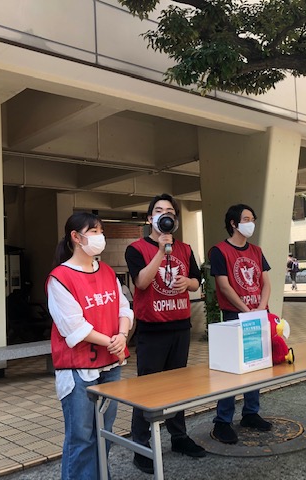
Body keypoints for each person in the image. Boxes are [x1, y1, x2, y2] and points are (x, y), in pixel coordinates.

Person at [46, 212, 133, 480]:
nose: (100, 237)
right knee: (81, 439)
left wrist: (122, 334)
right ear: (76, 237)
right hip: (78, 370)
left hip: (111, 365)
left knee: (104, 434)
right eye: (94, 231)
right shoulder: (59, 278)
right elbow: (74, 327)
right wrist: (113, 341)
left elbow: (124, 308)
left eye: (100, 231)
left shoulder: (107, 271)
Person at [125, 193, 205, 474]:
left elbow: (197, 281)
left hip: (180, 326)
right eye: (158, 210)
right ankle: (141, 446)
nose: (164, 214)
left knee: (177, 387)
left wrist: (188, 281)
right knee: (147, 389)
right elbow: (142, 283)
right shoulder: (136, 249)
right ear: (150, 218)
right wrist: (161, 250)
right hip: (152, 329)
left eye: (170, 211)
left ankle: (179, 437)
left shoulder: (185, 248)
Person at [209, 204, 273, 444]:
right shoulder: (219, 250)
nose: (251, 223)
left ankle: (250, 413)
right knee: (230, 371)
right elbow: (224, 285)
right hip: (234, 317)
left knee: (255, 366)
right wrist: (247, 311)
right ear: (234, 223)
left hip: (257, 314)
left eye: (253, 218)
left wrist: (260, 308)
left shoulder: (256, 250)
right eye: (246, 219)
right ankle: (222, 421)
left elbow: (266, 282)